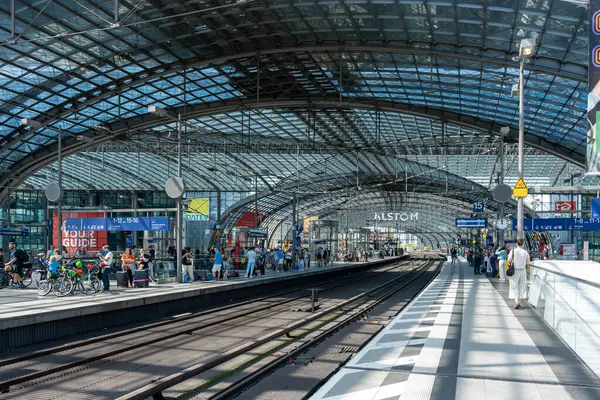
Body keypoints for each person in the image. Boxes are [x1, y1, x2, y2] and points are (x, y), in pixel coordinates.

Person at [507, 238, 530, 309]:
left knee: (514, 286)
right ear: (522, 244)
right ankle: (518, 301)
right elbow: (528, 262)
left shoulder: (513, 251)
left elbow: (509, 260)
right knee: (521, 286)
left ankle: (516, 301)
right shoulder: (525, 252)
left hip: (515, 271)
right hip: (523, 271)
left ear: (516, 244)